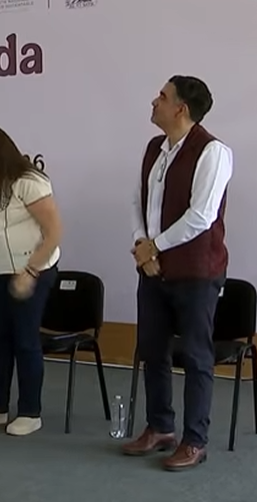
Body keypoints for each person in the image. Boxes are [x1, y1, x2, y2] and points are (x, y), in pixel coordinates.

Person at [123, 76, 232, 471]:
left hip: (196, 273)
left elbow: (201, 215)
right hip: (152, 269)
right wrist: (141, 246)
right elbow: (138, 201)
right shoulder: (155, 148)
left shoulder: (213, 152)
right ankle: (160, 427)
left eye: (163, 96)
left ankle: (195, 440)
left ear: (181, 108)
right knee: (152, 350)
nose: (154, 101)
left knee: (197, 356)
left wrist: (155, 246)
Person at [0, 125, 62, 436]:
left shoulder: (30, 181)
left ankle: (30, 412)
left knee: (25, 340)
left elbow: (54, 232)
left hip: (32, 269)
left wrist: (30, 272)